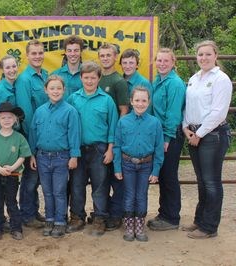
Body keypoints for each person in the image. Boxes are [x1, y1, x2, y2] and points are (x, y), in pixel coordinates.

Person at [182, 40, 232, 239]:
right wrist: (186, 128)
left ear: (215, 55)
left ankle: (210, 226)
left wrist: (200, 134)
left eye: (207, 54)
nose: (203, 58)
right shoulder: (194, 78)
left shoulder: (221, 79)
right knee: (202, 181)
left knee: (211, 182)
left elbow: (219, 112)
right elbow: (188, 106)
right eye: (200, 54)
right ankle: (200, 220)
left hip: (212, 135)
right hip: (194, 133)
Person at [67, 61, 119, 236]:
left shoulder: (107, 100)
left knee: (100, 185)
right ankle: (77, 217)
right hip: (78, 149)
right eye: (86, 77)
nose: (89, 81)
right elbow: (68, 124)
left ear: (99, 79)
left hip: (100, 149)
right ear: (81, 78)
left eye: (93, 78)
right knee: (76, 184)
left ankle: (99, 218)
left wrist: (110, 149)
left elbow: (113, 126)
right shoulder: (73, 98)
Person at [29, 75, 81, 238]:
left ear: (64, 90)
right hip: (42, 157)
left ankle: (60, 221)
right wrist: (32, 154)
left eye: (59, 88)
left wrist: (74, 155)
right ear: (46, 90)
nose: (55, 91)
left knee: (59, 190)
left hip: (61, 157)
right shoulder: (40, 111)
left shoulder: (70, 111)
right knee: (47, 190)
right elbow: (33, 134)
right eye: (52, 88)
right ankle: (49, 219)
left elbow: (74, 134)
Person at [113, 86, 164, 242]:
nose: (140, 104)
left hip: (146, 165)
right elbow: (117, 145)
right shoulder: (123, 122)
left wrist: (156, 170)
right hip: (127, 164)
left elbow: (159, 148)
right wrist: (117, 167)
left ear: (149, 102)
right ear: (131, 101)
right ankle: (129, 225)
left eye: (144, 100)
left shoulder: (154, 123)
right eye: (137, 100)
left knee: (141, 195)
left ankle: (140, 225)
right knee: (129, 195)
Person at [147, 48, 186, 231]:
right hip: (159, 133)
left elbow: (173, 113)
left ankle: (171, 218)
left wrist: (168, 137)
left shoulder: (175, 84)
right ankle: (164, 213)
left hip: (169, 135)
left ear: (173, 62)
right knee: (163, 175)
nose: (162, 64)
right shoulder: (158, 81)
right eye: (159, 60)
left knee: (169, 175)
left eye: (166, 61)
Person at [0, 102, 31, 241]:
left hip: (12, 175)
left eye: (10, 117)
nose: (7, 120)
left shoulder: (19, 138)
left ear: (15, 120)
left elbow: (23, 155)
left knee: (12, 202)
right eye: (3, 118)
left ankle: (16, 227)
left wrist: (13, 167)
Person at [16, 40, 49, 228]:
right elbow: (25, 115)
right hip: (32, 138)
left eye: (40, 53)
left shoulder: (45, 76)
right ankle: (27, 215)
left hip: (46, 138)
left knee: (36, 179)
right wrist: (31, 145)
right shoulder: (24, 80)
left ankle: (34, 211)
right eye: (34, 53)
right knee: (30, 179)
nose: (37, 56)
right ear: (27, 56)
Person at [97, 42, 129, 231]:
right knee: (102, 180)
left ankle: (117, 215)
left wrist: (115, 140)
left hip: (114, 139)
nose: (105, 58)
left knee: (117, 179)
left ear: (115, 57)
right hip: (99, 139)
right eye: (102, 55)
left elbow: (123, 111)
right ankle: (106, 212)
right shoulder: (97, 79)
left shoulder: (119, 82)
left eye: (109, 55)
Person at [120, 48, 153, 113]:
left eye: (131, 63)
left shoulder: (144, 83)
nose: (127, 66)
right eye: (124, 63)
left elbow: (148, 109)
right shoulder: (119, 81)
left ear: (137, 65)